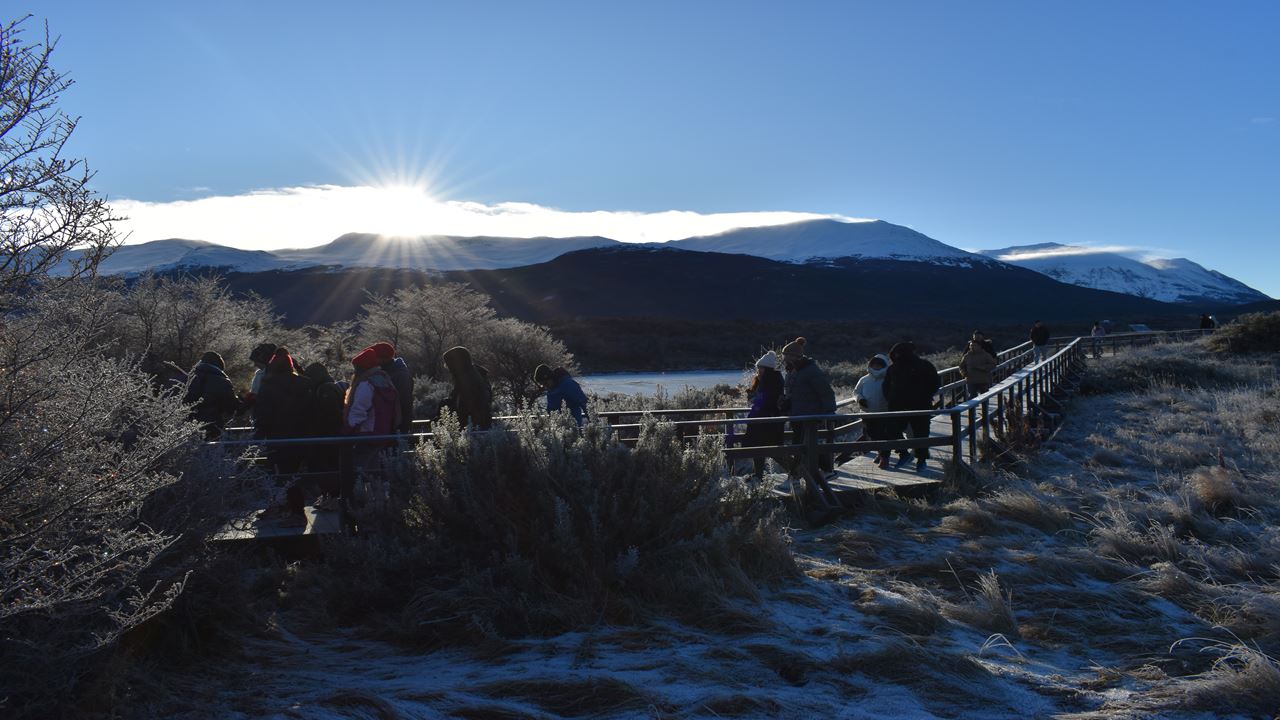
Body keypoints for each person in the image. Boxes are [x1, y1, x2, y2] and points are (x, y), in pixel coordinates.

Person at [254, 348, 313, 521]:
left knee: (274, 474)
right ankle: (294, 511)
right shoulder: (304, 384)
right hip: (299, 437)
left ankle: (280, 509)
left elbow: (262, 413)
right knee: (292, 476)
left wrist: (259, 433)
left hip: (275, 437)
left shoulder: (268, 385)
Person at [343, 346, 402, 500]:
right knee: (378, 476)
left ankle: (361, 509)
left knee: (359, 474)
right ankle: (381, 507)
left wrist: (348, 430)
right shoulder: (385, 381)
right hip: (382, 435)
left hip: (365, 435)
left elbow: (358, 411)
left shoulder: (365, 384)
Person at [779, 337, 837, 473]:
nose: (783, 359)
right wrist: (785, 402)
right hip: (798, 414)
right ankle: (826, 472)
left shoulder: (810, 371)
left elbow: (826, 392)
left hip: (809, 415)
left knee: (801, 445)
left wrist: (830, 412)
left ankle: (795, 477)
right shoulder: (793, 371)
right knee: (807, 446)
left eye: (786, 356)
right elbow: (794, 392)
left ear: (794, 357)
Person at [883, 341, 940, 471]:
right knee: (893, 430)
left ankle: (921, 460)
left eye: (897, 353)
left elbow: (934, 383)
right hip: (899, 406)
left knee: (920, 432)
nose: (895, 356)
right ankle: (905, 454)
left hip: (919, 405)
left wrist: (924, 396)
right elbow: (886, 386)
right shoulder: (893, 368)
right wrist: (891, 398)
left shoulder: (924, 365)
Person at [739, 350, 786, 477]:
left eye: (760, 368)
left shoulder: (772, 381)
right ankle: (758, 474)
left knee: (770, 449)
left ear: (767, 369)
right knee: (757, 448)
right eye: (757, 368)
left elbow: (767, 400)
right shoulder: (765, 380)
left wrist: (754, 398)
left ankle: (796, 472)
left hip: (767, 421)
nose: (758, 371)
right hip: (761, 421)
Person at [853, 353, 899, 469]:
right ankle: (880, 452)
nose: (876, 367)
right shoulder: (864, 379)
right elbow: (856, 392)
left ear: (884, 366)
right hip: (868, 413)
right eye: (874, 365)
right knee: (872, 435)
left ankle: (885, 458)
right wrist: (860, 399)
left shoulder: (889, 379)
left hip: (885, 412)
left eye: (879, 365)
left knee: (884, 436)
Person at [184, 351, 239, 439]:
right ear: (219, 366)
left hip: (185, 427)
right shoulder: (222, 381)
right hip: (212, 427)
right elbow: (231, 407)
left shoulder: (187, 378)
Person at [441, 346, 493, 430]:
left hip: (472, 428)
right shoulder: (475, 374)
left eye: (449, 365)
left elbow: (465, 409)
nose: (448, 369)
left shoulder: (467, 380)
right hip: (479, 424)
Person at [372, 342, 415, 434]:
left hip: (397, 425)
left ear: (383, 358)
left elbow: (405, 402)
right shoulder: (384, 372)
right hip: (386, 423)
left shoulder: (401, 375)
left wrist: (403, 426)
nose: (373, 360)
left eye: (376, 357)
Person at [245, 342, 277, 419]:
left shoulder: (274, 375)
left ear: (264, 360)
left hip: (268, 417)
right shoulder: (259, 373)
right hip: (259, 415)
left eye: (256, 361)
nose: (255, 365)